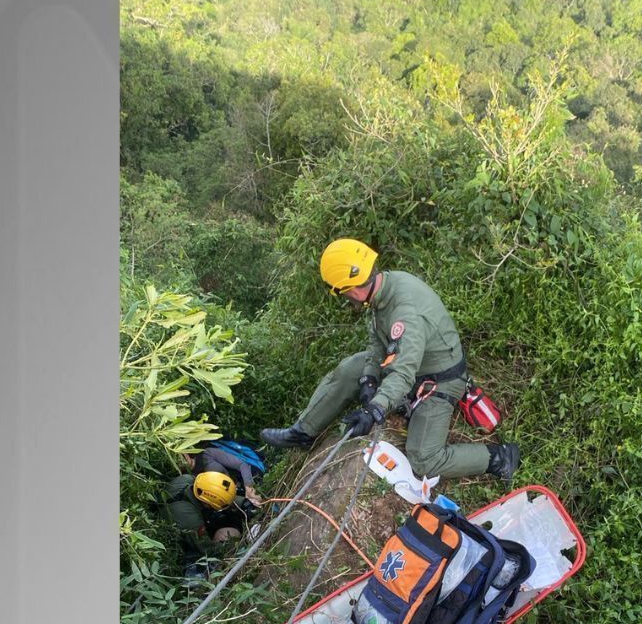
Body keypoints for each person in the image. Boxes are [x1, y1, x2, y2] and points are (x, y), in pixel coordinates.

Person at [259, 238, 520, 484]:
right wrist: (369, 377)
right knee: (352, 367)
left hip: (438, 380)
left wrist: (374, 410)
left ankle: (498, 457)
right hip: (414, 364)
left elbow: (404, 373)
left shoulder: (405, 312)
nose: (346, 299)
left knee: (423, 459)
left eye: (344, 293)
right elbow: (378, 341)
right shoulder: (383, 287)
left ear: (354, 289)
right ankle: (304, 431)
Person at [165, 468, 249, 577]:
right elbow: (206, 548)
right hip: (183, 537)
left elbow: (218, 494)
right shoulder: (189, 519)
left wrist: (243, 502)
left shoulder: (191, 480)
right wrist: (237, 544)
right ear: (206, 503)